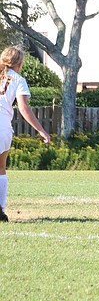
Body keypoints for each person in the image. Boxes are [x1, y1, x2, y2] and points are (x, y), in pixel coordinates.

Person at [0, 47, 51, 222]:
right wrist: (41, 130)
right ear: (19, 63)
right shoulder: (18, 79)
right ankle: (1, 209)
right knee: (1, 169)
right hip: (3, 128)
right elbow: (23, 108)